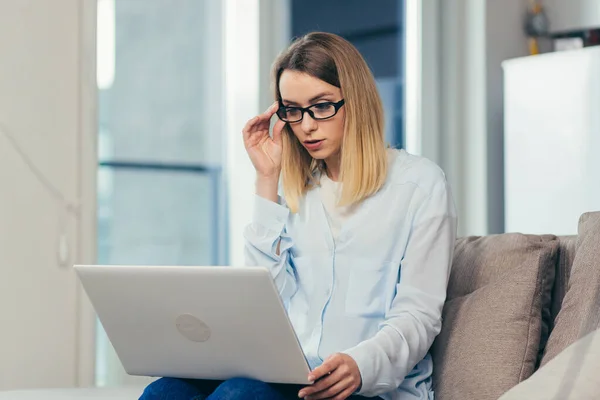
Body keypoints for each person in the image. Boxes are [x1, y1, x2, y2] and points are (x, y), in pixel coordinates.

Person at [140, 32, 457, 400]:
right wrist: (266, 180)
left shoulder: (420, 185)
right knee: (166, 390)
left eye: (321, 106)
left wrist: (360, 365)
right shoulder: (298, 189)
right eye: (292, 110)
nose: (306, 125)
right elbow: (262, 306)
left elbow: (418, 315)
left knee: (240, 395)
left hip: (370, 390)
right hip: (290, 378)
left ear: (356, 102)